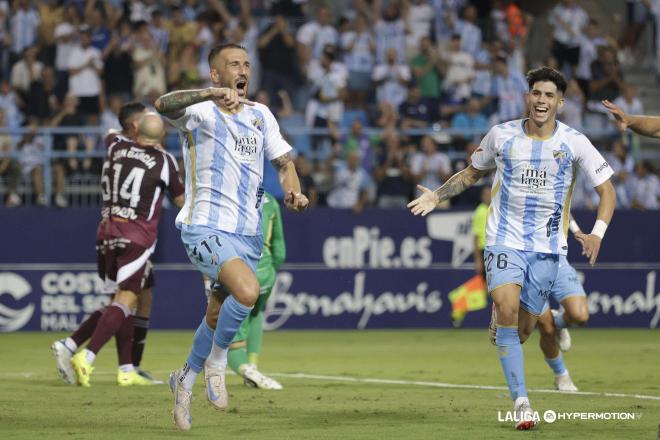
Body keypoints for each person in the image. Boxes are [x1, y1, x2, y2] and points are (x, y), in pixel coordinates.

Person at [408, 66, 616, 430]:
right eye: (536, 93)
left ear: (560, 102)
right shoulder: (501, 135)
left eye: (549, 95)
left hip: (549, 250)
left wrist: (597, 232)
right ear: (528, 96)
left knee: (522, 332)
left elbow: (607, 191)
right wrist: (438, 196)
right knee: (506, 308)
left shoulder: (574, 142)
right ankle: (522, 403)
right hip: (504, 240)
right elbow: (471, 174)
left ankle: (512, 327)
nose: (541, 100)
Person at [154, 43, 309, 431]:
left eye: (245, 64)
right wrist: (207, 94)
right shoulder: (200, 111)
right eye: (233, 64)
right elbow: (162, 104)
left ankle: (185, 379)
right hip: (204, 225)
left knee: (216, 311)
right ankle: (217, 363)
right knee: (247, 291)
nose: (242, 70)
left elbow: (284, 163)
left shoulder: (261, 115)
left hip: (248, 232)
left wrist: (294, 190)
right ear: (216, 74)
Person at [51, 102, 167, 386]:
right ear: (136, 125)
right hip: (132, 232)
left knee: (140, 296)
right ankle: (80, 349)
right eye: (147, 118)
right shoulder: (140, 151)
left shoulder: (115, 143)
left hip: (114, 231)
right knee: (125, 299)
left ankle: (126, 366)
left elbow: (112, 132)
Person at [227, 191, 285, 389]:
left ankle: (248, 371)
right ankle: (253, 364)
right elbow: (280, 248)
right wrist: (269, 271)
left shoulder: (227, 196)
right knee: (255, 313)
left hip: (239, 273)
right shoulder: (270, 200)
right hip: (266, 272)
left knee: (230, 332)